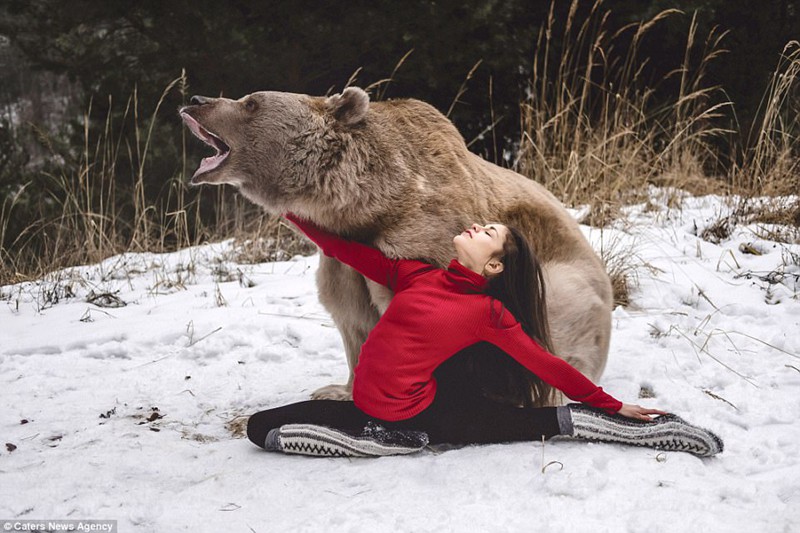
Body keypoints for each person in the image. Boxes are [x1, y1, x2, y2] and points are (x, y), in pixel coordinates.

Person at [246, 214, 723, 458]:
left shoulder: (487, 312)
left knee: (523, 425)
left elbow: (545, 364)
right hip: (427, 399)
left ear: (493, 265)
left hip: (402, 413)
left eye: (488, 232)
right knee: (258, 424)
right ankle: (404, 430)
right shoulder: (415, 274)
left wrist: (611, 402)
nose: (476, 226)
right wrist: (292, 213)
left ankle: (634, 428)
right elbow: (343, 250)